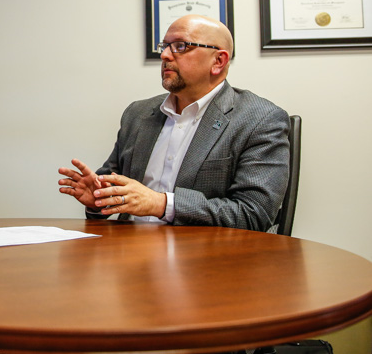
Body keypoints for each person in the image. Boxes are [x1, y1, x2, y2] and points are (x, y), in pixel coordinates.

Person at [58, 14, 290, 231]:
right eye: (164, 46)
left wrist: (161, 204)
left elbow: (254, 214)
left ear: (219, 61)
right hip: (129, 257)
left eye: (180, 46)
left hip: (207, 263)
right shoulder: (138, 114)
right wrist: (98, 200)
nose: (165, 55)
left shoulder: (260, 120)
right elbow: (113, 187)